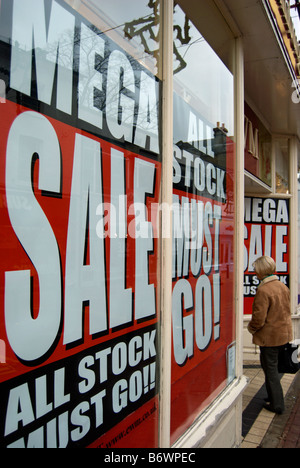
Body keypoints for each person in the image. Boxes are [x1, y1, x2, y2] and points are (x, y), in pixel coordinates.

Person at [247, 256, 293, 414]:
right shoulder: (282, 286)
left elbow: (258, 319)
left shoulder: (263, 290)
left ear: (261, 270)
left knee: (270, 369)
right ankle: (273, 397)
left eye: (255, 269)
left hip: (269, 338)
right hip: (283, 334)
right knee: (274, 369)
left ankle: (277, 404)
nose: (254, 272)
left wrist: (251, 329)